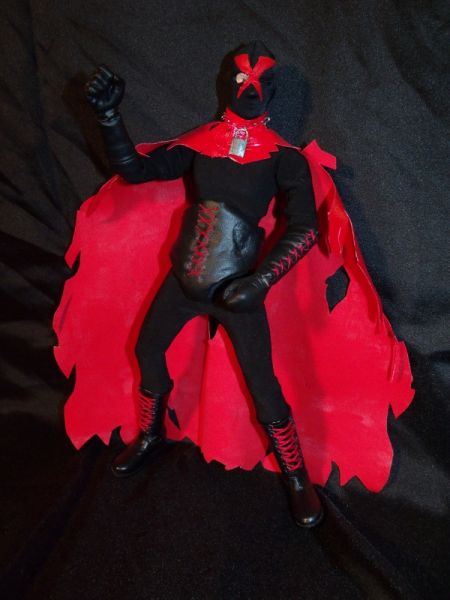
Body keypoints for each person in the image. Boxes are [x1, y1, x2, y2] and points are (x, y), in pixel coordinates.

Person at [85, 40, 325, 528]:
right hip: (184, 279)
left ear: (273, 91)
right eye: (241, 78)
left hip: (239, 291)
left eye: (260, 81)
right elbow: (136, 171)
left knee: (264, 387)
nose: (250, 88)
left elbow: (306, 227)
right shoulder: (200, 142)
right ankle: (150, 435)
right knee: (148, 350)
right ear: (225, 84)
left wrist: (261, 281)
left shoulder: (284, 158)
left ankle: (298, 478)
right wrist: (110, 119)